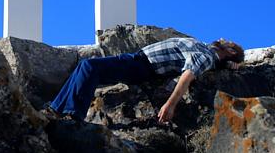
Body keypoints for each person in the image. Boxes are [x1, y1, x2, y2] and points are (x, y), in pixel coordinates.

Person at [45, 37, 245, 124]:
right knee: (85, 66)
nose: (222, 38)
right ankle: (56, 109)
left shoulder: (207, 56)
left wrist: (170, 104)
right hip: (137, 60)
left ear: (230, 52)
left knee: (90, 67)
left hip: (142, 66)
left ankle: (72, 114)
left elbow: (187, 76)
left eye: (229, 43)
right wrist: (227, 65)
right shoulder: (204, 49)